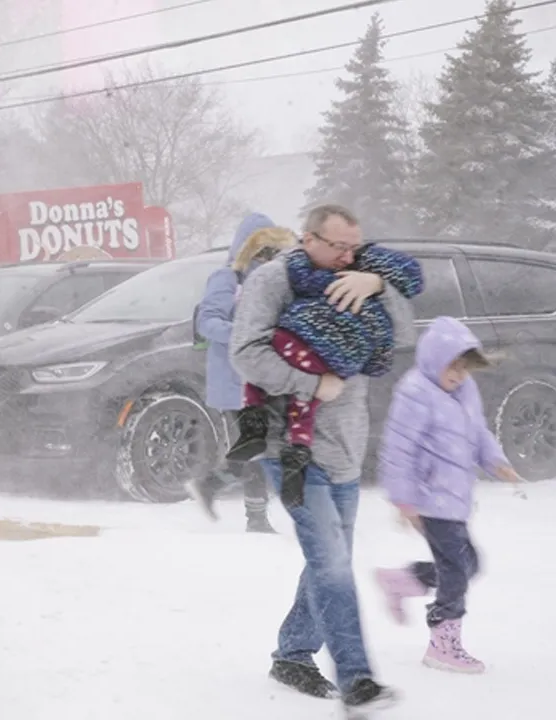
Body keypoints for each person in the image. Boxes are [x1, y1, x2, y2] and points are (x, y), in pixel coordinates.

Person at [228, 204, 413, 714]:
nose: (348, 255)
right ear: (308, 238)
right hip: (289, 447)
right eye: (337, 246)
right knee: (331, 564)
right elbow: (244, 352)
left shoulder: (361, 273)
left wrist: (377, 286)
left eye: (354, 246)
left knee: (328, 561)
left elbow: (402, 336)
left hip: (345, 447)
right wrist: (313, 382)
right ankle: (358, 681)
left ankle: (292, 654)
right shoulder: (273, 280)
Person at [373, 317, 523, 674]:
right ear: (432, 360)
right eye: (451, 367)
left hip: (453, 498)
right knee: (457, 570)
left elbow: (478, 431)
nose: (458, 375)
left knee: (469, 564)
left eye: (464, 368)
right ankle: (443, 642)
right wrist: (404, 501)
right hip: (428, 498)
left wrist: (495, 462)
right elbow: (398, 450)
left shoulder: (464, 390)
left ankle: (404, 581)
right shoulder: (415, 394)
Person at [226, 243, 423, 507]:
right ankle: (294, 452)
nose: (347, 256)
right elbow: (387, 351)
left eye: (353, 252)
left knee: (271, 377)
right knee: (303, 406)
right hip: (326, 368)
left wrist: (377, 284)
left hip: (299, 348)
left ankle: (254, 427)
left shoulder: (343, 279)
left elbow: (303, 279)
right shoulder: (373, 299)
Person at [191, 215, 294, 533]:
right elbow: (207, 322)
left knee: (260, 444)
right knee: (257, 445)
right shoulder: (226, 279)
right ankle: (256, 518)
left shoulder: (272, 281)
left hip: (261, 378)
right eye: (261, 249)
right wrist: (246, 334)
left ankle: (211, 484)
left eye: (272, 250)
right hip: (232, 380)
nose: (267, 256)